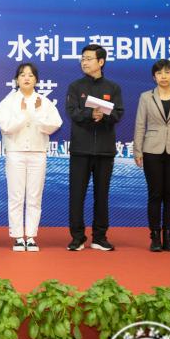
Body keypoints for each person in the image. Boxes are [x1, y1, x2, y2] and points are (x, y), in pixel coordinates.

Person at [0, 62, 62, 252]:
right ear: (16, 79)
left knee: (34, 196)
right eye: (22, 75)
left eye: (30, 75)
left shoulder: (43, 102)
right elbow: (6, 127)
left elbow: (55, 124)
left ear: (36, 80)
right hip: (15, 153)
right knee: (16, 196)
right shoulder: (8, 101)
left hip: (38, 153)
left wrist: (38, 113)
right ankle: (18, 236)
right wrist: (25, 114)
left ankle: (31, 236)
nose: (26, 78)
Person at [65, 43, 124, 252]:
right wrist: (91, 114)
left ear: (101, 61)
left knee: (102, 195)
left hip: (105, 150)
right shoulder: (75, 87)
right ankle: (77, 237)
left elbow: (118, 113)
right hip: (80, 149)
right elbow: (72, 112)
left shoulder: (113, 88)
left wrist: (104, 115)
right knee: (76, 195)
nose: (84, 62)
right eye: (82, 59)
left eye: (89, 59)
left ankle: (99, 237)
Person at [133, 59, 170, 252]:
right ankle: (155, 237)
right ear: (154, 77)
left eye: (167, 72)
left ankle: (169, 237)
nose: (163, 76)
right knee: (155, 194)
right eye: (159, 73)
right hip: (152, 149)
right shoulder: (146, 97)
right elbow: (140, 125)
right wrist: (137, 150)